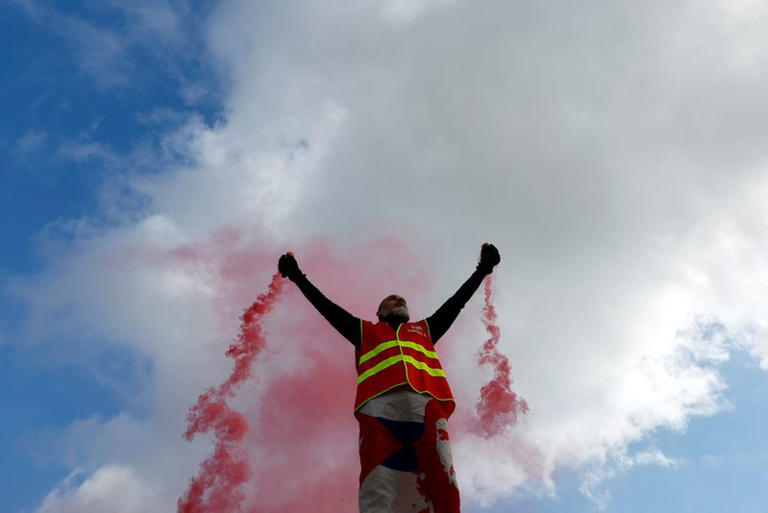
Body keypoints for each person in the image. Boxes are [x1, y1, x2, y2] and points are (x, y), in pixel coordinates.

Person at [277, 243, 500, 513]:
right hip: (379, 407)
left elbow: (456, 303)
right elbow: (326, 307)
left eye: (402, 300)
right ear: (379, 313)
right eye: (392, 300)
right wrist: (297, 275)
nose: (399, 300)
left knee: (440, 474)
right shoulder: (364, 331)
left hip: (426, 406)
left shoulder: (424, 329)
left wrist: (482, 269)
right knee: (379, 476)